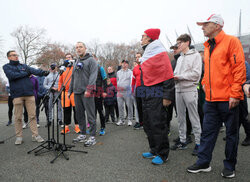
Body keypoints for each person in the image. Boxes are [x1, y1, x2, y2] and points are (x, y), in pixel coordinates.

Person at [187, 14, 246, 179]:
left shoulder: (231, 41)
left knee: (231, 134)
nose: (202, 27)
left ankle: (229, 166)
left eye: (206, 24)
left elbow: (239, 69)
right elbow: (208, 70)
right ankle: (203, 162)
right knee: (207, 133)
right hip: (211, 100)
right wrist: (205, 83)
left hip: (229, 99)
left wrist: (235, 93)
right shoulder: (207, 46)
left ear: (217, 25)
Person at [140, 28, 175, 165]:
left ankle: (163, 153)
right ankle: (154, 149)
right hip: (147, 92)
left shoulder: (160, 53)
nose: (141, 38)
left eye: (143, 36)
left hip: (158, 92)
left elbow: (167, 75)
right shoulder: (148, 53)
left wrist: (167, 96)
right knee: (148, 123)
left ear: (149, 38)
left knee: (158, 123)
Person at [3, 50, 49, 145]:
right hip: (17, 95)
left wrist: (44, 72)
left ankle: (35, 135)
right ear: (9, 57)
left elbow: (35, 71)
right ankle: (19, 137)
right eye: (13, 55)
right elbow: (12, 76)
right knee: (18, 117)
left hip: (29, 94)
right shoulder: (6, 67)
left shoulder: (24, 66)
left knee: (32, 116)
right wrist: (26, 74)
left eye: (16, 55)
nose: (16, 56)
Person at [171, 34, 202, 156]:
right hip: (178, 89)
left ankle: (199, 143)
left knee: (194, 117)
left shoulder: (195, 56)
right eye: (177, 43)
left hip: (190, 89)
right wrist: (174, 77)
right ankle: (183, 141)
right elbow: (176, 73)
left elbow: (196, 74)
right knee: (180, 117)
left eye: (180, 43)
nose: (178, 45)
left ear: (187, 42)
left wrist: (180, 77)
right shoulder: (179, 58)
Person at [69, 42, 98, 147]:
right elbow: (73, 77)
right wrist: (70, 91)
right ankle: (82, 134)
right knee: (79, 114)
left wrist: (89, 89)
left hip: (87, 92)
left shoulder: (91, 61)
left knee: (90, 115)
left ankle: (92, 136)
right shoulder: (76, 61)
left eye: (80, 47)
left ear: (85, 48)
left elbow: (93, 76)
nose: (78, 49)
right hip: (77, 92)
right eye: (76, 47)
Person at [58, 53, 80, 134]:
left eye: (69, 57)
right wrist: (60, 91)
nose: (68, 59)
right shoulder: (63, 69)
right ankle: (66, 127)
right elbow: (60, 81)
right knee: (66, 110)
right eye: (66, 58)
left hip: (74, 92)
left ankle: (77, 127)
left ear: (72, 58)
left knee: (76, 110)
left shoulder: (75, 67)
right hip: (65, 92)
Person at [43, 63, 63, 127]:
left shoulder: (60, 74)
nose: (53, 68)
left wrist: (59, 88)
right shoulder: (48, 75)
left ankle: (60, 120)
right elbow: (44, 85)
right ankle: (49, 120)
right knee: (50, 106)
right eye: (52, 67)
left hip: (58, 92)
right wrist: (51, 88)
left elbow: (62, 83)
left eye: (54, 67)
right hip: (50, 92)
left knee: (60, 107)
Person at [92, 54, 107, 136]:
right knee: (92, 111)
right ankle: (93, 128)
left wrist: (104, 91)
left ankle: (102, 127)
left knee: (100, 110)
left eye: (94, 58)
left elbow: (105, 80)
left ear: (96, 59)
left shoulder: (100, 68)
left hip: (99, 91)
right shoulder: (89, 69)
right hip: (91, 91)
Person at [116, 60, 133, 126]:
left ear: (127, 64)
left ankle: (129, 120)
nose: (124, 64)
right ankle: (121, 120)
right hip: (119, 91)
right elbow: (118, 80)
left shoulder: (130, 72)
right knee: (120, 106)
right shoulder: (118, 72)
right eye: (123, 63)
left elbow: (132, 81)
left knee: (129, 106)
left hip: (127, 91)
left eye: (125, 63)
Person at [132, 52, 143, 129]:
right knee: (139, 107)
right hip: (138, 89)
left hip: (146, 88)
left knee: (146, 107)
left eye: (139, 56)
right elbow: (133, 80)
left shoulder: (146, 65)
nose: (137, 58)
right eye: (136, 57)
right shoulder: (135, 68)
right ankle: (141, 122)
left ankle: (147, 123)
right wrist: (133, 89)